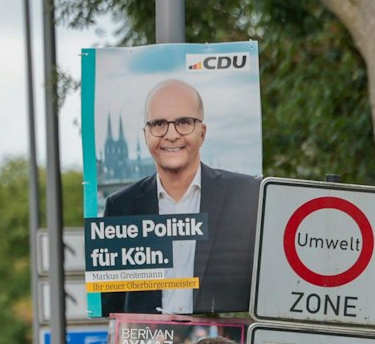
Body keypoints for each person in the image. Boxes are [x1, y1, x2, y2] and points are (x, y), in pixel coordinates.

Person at [100, 78, 262, 316]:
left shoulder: (247, 196)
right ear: (146, 135)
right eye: (158, 124)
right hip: (147, 340)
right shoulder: (120, 207)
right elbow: (112, 308)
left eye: (184, 122)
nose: (171, 135)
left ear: (202, 133)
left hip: (222, 339)